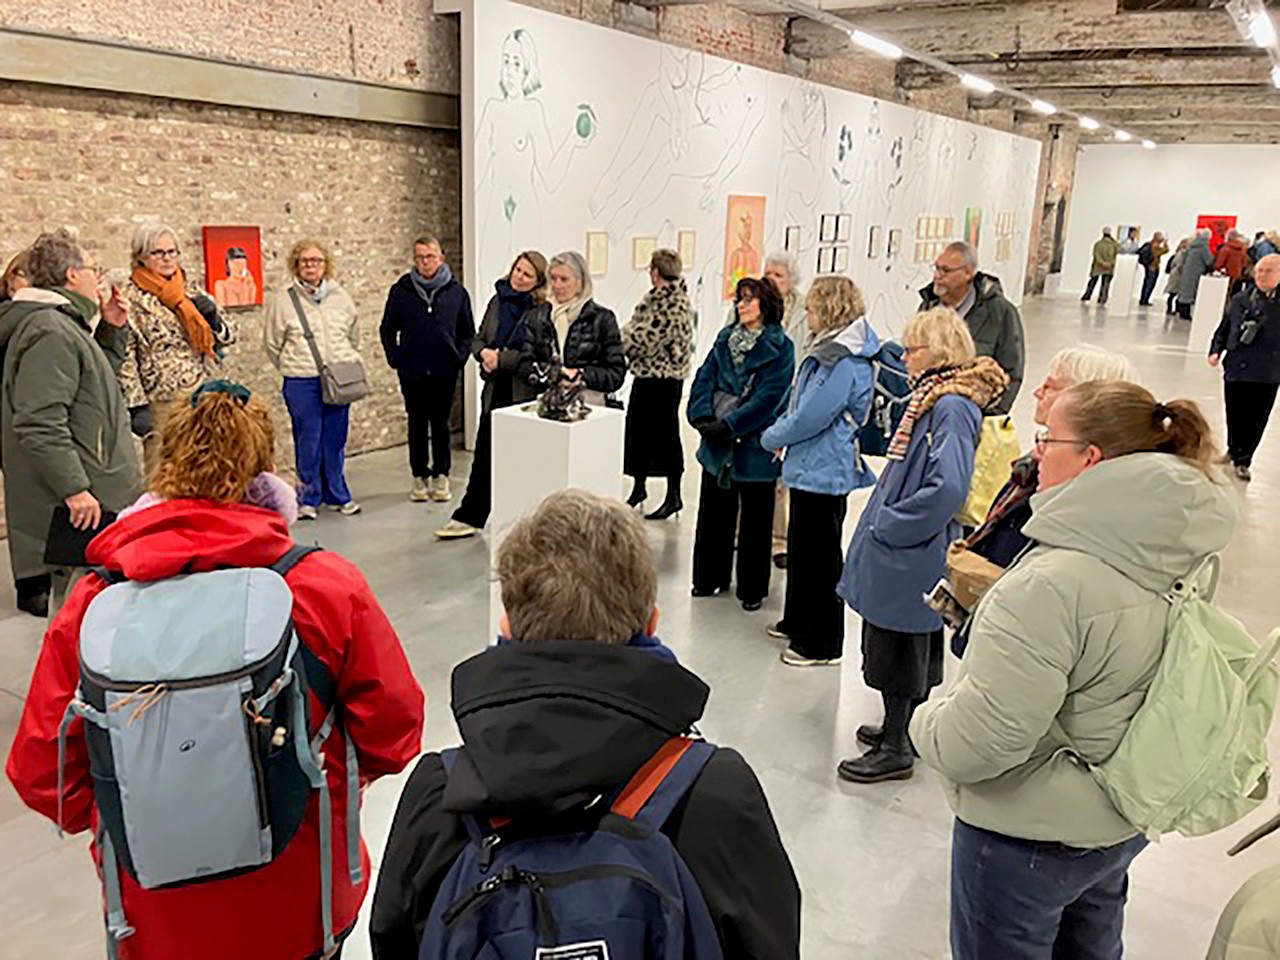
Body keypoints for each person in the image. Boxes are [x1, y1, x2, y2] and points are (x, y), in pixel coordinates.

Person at [6, 381, 425, 960]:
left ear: (163, 472)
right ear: (266, 474)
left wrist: (139, 807)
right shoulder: (323, 587)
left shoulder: (92, 606)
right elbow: (395, 733)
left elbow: (43, 776)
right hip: (301, 901)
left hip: (154, 919)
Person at [369, 488, 800, 960]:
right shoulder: (715, 794)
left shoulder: (440, 795)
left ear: (507, 626)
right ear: (651, 624)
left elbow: (395, 939)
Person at [911, 381, 1234, 960]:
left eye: (1048, 438)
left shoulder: (1049, 584)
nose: (1035, 452)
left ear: (1091, 458)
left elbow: (984, 741)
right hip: (1116, 816)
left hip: (1027, 836)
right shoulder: (1176, 547)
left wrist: (924, 720)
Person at [836, 307, 1007, 784]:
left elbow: (948, 486)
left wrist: (893, 524)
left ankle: (895, 747)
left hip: (913, 547)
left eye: (914, 349)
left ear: (940, 353)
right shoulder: (937, 400)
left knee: (897, 647)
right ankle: (902, 729)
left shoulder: (949, 407)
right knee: (905, 641)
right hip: (912, 546)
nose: (906, 357)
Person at [0, 229, 140, 616]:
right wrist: (74, 488)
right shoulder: (50, 330)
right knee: (82, 612)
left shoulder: (64, 325)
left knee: (95, 611)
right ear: (72, 275)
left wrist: (111, 330)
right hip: (85, 501)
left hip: (95, 490)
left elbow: (92, 392)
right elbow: (39, 422)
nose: (99, 278)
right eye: (94, 268)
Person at [761, 276, 878, 667]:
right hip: (811, 465)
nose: (806, 314)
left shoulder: (844, 359)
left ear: (829, 309)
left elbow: (813, 414)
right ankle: (797, 621)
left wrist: (772, 436)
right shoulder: (830, 349)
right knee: (802, 551)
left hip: (825, 470)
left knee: (820, 560)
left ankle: (821, 643)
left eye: (811, 308)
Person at [967, 346, 1138, 571]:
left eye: (1050, 386)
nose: (1037, 392)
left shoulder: (1083, 504)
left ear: (1083, 398)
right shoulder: (1031, 468)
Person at [688, 277, 795, 612]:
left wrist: (731, 425)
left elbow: (770, 399)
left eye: (749, 299)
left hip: (755, 446)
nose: (742, 305)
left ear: (767, 305)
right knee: (713, 515)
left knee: (755, 523)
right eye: (740, 299)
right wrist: (702, 416)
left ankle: (752, 588)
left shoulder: (782, 347)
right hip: (717, 444)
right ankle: (709, 577)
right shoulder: (725, 338)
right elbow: (704, 377)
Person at [437, 251, 548, 540]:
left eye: (527, 274)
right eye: (518, 270)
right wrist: (484, 353)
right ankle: (470, 515)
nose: (519, 277)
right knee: (484, 455)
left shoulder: (541, 311)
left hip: (523, 393)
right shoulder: (498, 300)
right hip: (495, 390)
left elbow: (537, 354)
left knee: (521, 459)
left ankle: (524, 522)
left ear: (538, 281)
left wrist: (503, 359)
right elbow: (478, 338)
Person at [120, 221, 235, 470]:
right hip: (162, 401)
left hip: (202, 394)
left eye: (172, 252)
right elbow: (126, 353)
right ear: (141, 256)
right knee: (165, 470)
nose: (167, 258)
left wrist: (214, 319)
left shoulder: (189, 288)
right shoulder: (131, 297)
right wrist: (136, 405)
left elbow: (229, 335)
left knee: (206, 467)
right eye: (158, 253)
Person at [264, 238, 363, 519]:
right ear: (296, 265)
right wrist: (293, 364)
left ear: (325, 264)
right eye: (305, 261)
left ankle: (337, 493)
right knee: (308, 438)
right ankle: (308, 496)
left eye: (316, 261)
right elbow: (272, 343)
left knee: (335, 438)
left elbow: (353, 334)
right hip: (301, 380)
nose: (311, 266)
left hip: (338, 377)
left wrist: (342, 358)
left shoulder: (340, 296)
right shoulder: (283, 300)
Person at [380, 234, 475, 504]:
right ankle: (419, 475)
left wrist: (458, 358)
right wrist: (396, 358)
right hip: (412, 371)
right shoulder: (401, 291)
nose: (425, 262)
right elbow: (387, 329)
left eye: (430, 256)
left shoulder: (457, 293)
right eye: (420, 257)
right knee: (417, 424)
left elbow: (468, 332)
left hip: (445, 371)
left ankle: (442, 474)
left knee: (442, 425)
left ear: (440, 258)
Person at [622, 248, 695, 520]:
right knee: (638, 432)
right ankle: (639, 487)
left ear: (655, 272)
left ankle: (674, 495)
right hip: (646, 376)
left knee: (666, 435)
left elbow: (645, 338)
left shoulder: (673, 303)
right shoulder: (656, 298)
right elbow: (636, 328)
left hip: (664, 380)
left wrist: (619, 340)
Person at [0, 248, 50, 616]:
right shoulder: (19, 317)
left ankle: (35, 582)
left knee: (31, 498)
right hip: (13, 413)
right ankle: (32, 584)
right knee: (26, 501)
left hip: (18, 411)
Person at [919, 241, 1024, 414]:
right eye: (936, 268)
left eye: (945, 270)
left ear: (968, 273)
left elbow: (1011, 373)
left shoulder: (1000, 312)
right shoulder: (928, 307)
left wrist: (989, 415)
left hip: (971, 413)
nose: (937, 276)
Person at [518, 250, 626, 405]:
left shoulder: (602, 319)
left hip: (590, 404)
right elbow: (524, 365)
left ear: (580, 282)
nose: (557, 285)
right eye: (553, 278)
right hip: (546, 401)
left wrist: (581, 375)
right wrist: (553, 373)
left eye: (564, 279)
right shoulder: (537, 317)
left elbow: (616, 373)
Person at [1210, 252, 1280, 482]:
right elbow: (1225, 326)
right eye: (1259, 271)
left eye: (1268, 271)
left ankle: (1244, 459)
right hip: (1236, 366)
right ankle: (1233, 449)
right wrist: (1215, 350)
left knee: (1256, 418)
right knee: (1234, 413)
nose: (1261, 275)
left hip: (1267, 371)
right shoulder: (1241, 298)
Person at [763, 251, 808, 568]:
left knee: (780, 475)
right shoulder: (751, 304)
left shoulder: (803, 310)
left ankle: (780, 540)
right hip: (757, 396)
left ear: (791, 280)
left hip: (789, 397)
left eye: (778, 275)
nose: (771, 279)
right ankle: (740, 532)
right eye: (767, 273)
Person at [1177, 228, 1216, 321]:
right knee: (1190, 293)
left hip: (1186, 272)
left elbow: (1184, 259)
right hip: (1196, 273)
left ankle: (1182, 312)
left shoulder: (1192, 246)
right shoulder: (1204, 247)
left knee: (1185, 292)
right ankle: (1186, 314)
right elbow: (1209, 261)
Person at [1081, 227, 1119, 305]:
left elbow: (1096, 255)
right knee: (1105, 284)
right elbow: (1116, 256)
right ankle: (1102, 299)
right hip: (1109, 268)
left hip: (1097, 267)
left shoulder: (1098, 244)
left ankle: (1087, 296)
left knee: (1092, 282)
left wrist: (1101, 263)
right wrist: (1110, 263)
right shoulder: (1114, 245)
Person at [1215, 229, 1252, 297]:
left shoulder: (1226, 249)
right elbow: (1244, 263)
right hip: (1237, 277)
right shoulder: (1242, 249)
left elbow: (1219, 264)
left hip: (1225, 277)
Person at [1137, 231, 1168, 307]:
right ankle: (1145, 300)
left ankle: (1143, 299)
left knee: (1147, 283)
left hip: (1148, 266)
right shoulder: (1156, 246)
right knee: (1150, 284)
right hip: (1153, 267)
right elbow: (1166, 250)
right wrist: (1165, 242)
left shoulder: (1149, 244)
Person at [1165, 236, 1191, 315]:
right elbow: (1179, 264)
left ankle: (1174, 309)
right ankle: (1171, 309)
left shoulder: (1179, 253)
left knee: (1174, 294)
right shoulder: (1182, 253)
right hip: (1177, 276)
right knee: (1174, 294)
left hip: (1176, 275)